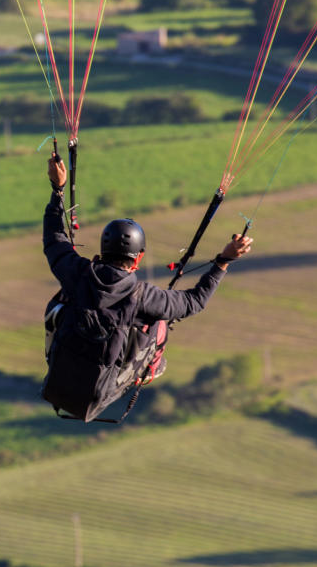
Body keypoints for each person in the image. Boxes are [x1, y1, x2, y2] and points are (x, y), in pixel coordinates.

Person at [42, 151, 253, 422]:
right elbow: (194, 302)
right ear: (138, 257)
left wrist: (57, 189)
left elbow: (54, 238)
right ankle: (150, 368)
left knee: (62, 301)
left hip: (60, 376)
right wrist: (223, 261)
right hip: (102, 391)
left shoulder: (77, 272)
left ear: (103, 250)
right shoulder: (144, 298)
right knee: (159, 324)